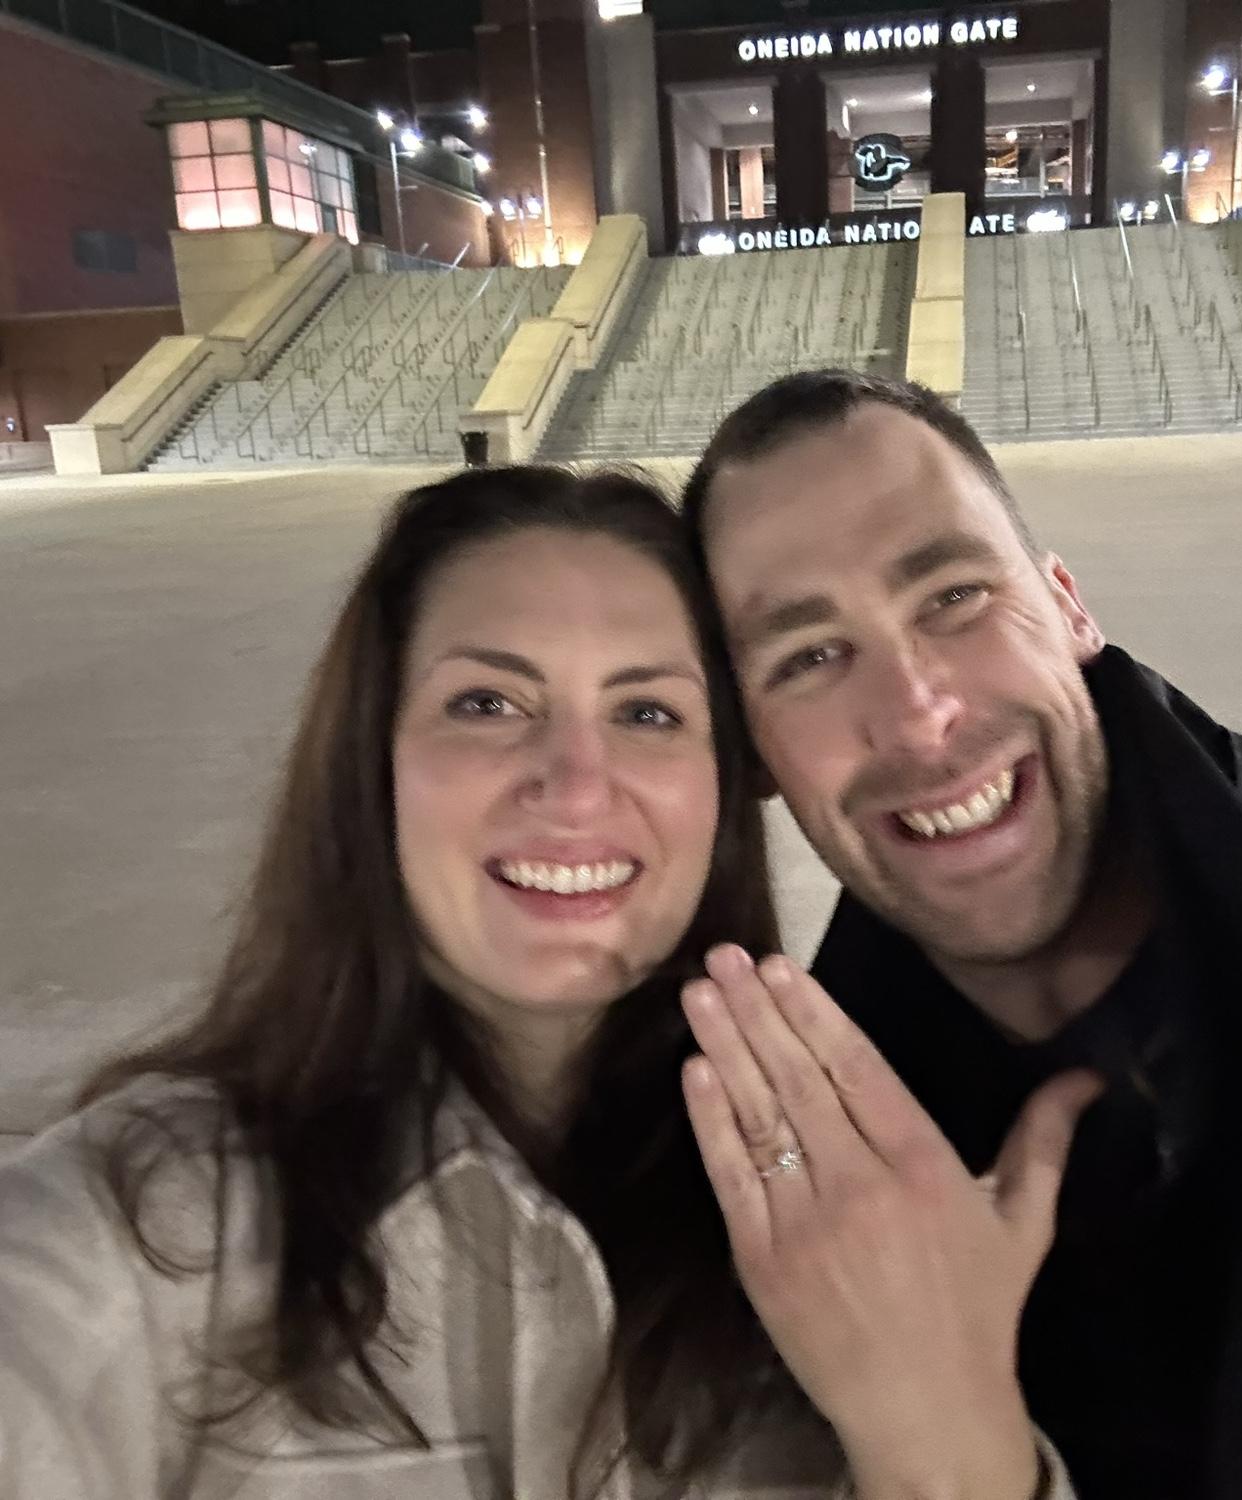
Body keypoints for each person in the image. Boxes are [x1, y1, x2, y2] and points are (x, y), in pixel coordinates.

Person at [0, 465, 1085, 1500]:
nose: (574, 787)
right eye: (488, 703)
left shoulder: (866, 1208)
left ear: (726, 786)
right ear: (367, 762)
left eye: (648, 713)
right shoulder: (128, 1234)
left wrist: (951, 1432)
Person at [681, 369, 1242, 1500]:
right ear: (758, 761)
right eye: (809, 657)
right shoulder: (803, 1197)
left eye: (955, 597)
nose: (918, 711)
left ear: (1068, 607)